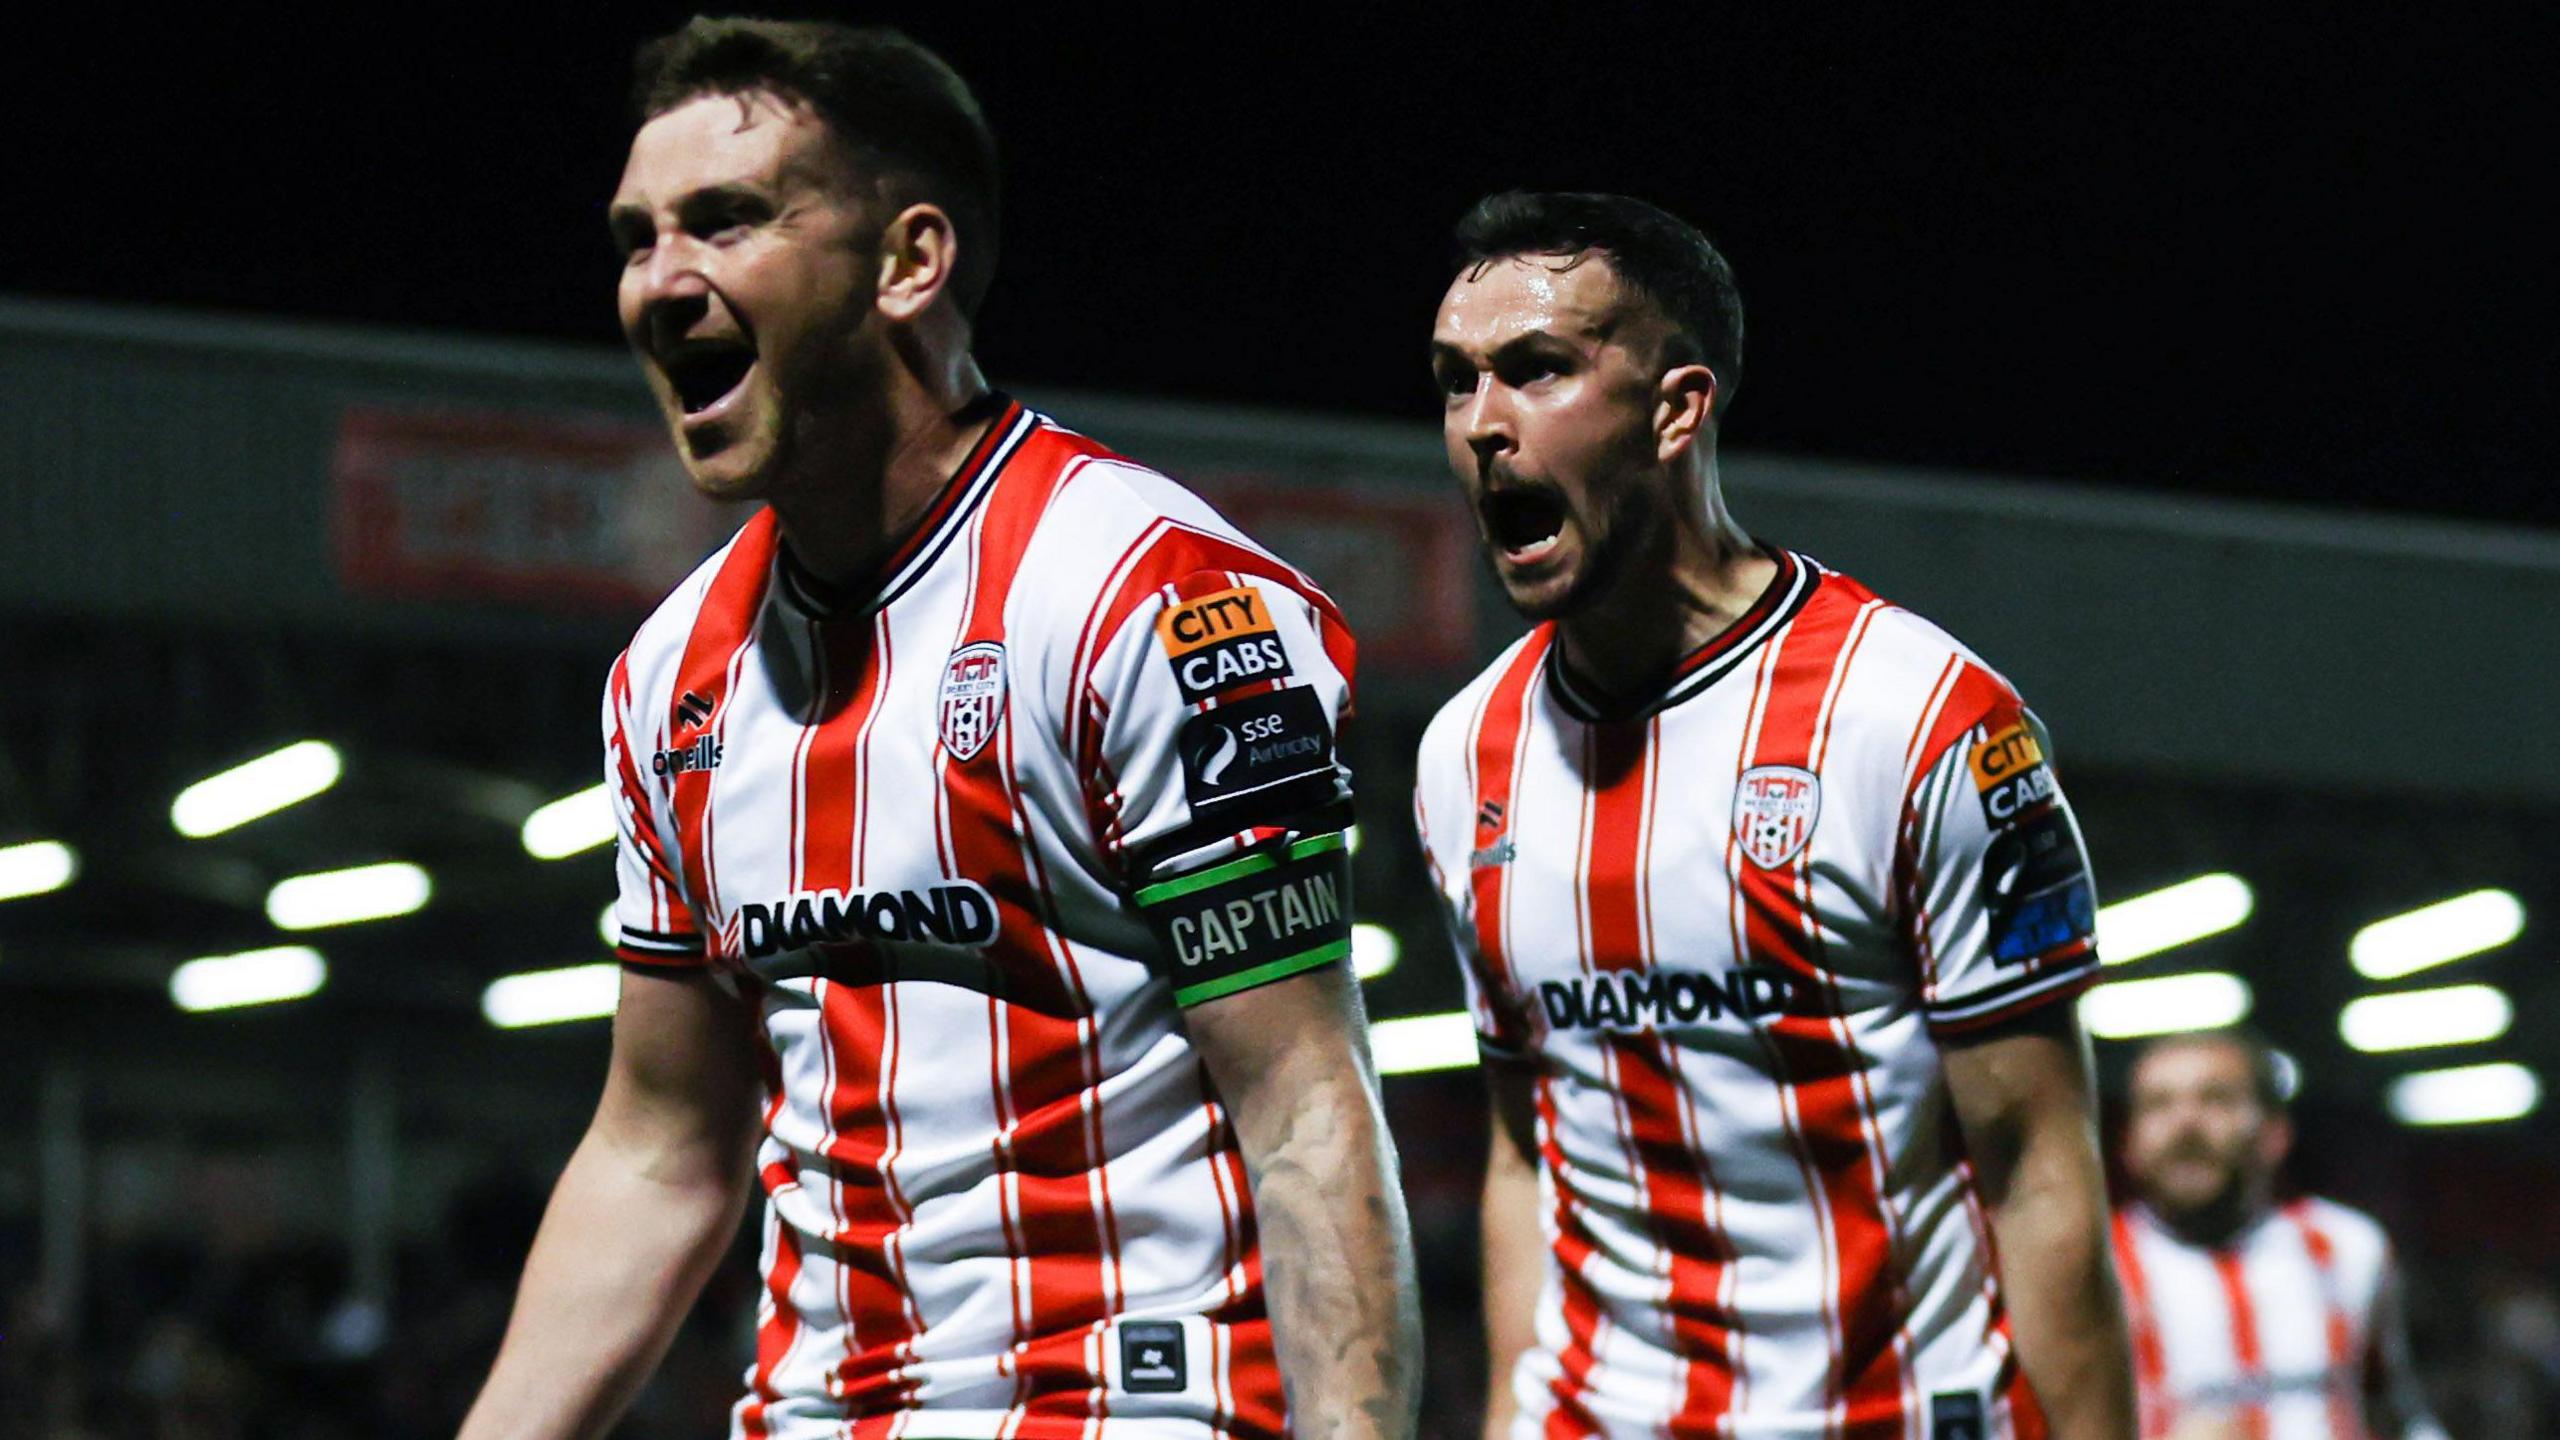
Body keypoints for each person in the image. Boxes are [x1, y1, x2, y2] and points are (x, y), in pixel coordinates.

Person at [458, 19, 1419, 1440]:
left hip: (1131, 1406)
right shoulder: (671, 681)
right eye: (636, 236)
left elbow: (1299, 1100)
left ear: (912, 262)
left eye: (724, 221)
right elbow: (659, 1150)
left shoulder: (1152, 598)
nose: (659, 284)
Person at [1411, 191, 2138, 1440]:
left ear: (1678, 408)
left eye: (1536, 371)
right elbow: (1528, 1150)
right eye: (1455, 380)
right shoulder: (1461, 756)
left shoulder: (1922, 716)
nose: (1482, 424)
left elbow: (2037, 1168)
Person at [2112, 1030, 2448, 1440]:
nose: (2186, 1125)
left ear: (2275, 1134)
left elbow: (2397, 1415)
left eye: (2216, 1099)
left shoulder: (2349, 1248)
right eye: (2158, 1105)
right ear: (2127, 1142)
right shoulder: (2095, 1269)